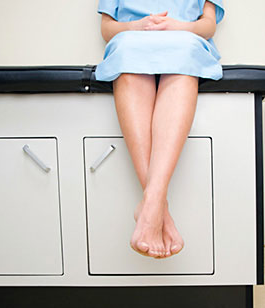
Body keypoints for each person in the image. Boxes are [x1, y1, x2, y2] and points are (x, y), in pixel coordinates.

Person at [95, 0, 224, 259]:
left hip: (185, 39)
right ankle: (159, 210)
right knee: (127, 48)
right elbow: (108, 28)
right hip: (132, 40)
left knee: (185, 48)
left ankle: (151, 205)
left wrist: (178, 26)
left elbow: (208, 25)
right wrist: (136, 26)